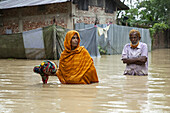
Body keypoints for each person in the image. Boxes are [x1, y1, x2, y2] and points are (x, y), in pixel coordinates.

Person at [34, 30, 99, 84]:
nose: (76, 40)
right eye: (73, 38)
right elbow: (62, 72)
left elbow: (90, 69)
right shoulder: (64, 55)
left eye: (77, 38)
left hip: (82, 83)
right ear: (68, 40)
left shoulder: (83, 52)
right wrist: (48, 70)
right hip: (68, 83)